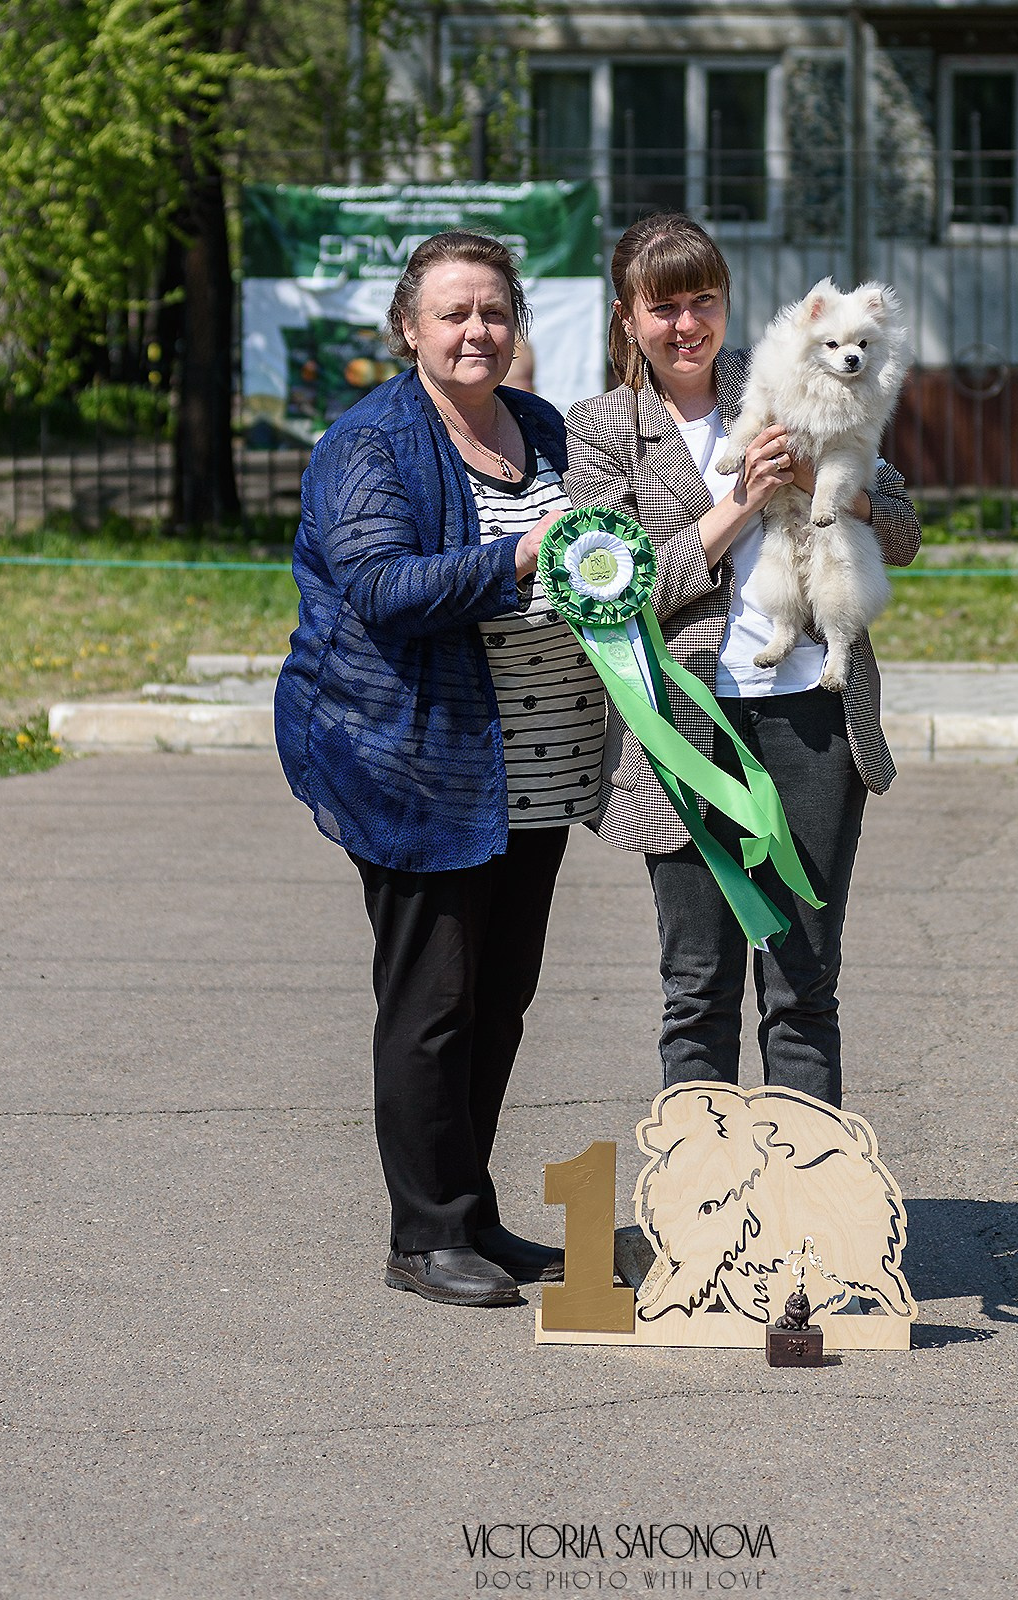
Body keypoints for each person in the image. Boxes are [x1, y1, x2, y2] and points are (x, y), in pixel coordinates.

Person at [275, 231, 605, 1307]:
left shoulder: (544, 427)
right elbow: (382, 588)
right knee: (432, 1004)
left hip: (534, 771)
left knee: (499, 1001)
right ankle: (421, 1236)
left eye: (494, 312)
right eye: (454, 313)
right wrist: (514, 555)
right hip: (419, 765)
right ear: (408, 329)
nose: (477, 331)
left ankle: (472, 1214)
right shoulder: (371, 442)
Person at [564, 213, 921, 1109]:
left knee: (803, 983)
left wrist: (815, 485)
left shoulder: (789, 378)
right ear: (627, 319)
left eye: (704, 301)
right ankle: (699, 1217)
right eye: (663, 307)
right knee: (698, 986)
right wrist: (741, 502)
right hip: (680, 728)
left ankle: (808, 1218)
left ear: (727, 305)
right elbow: (618, 593)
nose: (687, 325)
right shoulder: (600, 429)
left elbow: (908, 531)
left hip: (809, 714)